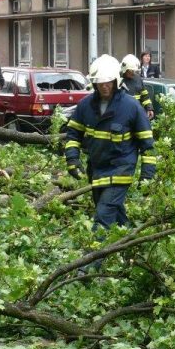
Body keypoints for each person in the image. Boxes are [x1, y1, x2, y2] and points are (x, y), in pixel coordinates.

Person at [64, 55, 156, 231]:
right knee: (117, 217)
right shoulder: (85, 106)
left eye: (108, 82)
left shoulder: (131, 107)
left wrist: (147, 177)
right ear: (94, 83)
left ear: (116, 81)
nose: (105, 86)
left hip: (121, 170)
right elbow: (73, 134)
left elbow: (147, 146)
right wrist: (72, 160)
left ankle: (92, 257)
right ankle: (129, 246)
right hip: (97, 170)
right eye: (100, 82)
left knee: (103, 217)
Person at [120, 54, 154, 120]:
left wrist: (149, 108)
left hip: (137, 113)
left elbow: (145, 96)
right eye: (131, 70)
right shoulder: (118, 80)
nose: (133, 73)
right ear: (125, 70)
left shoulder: (138, 79)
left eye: (134, 71)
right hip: (123, 115)